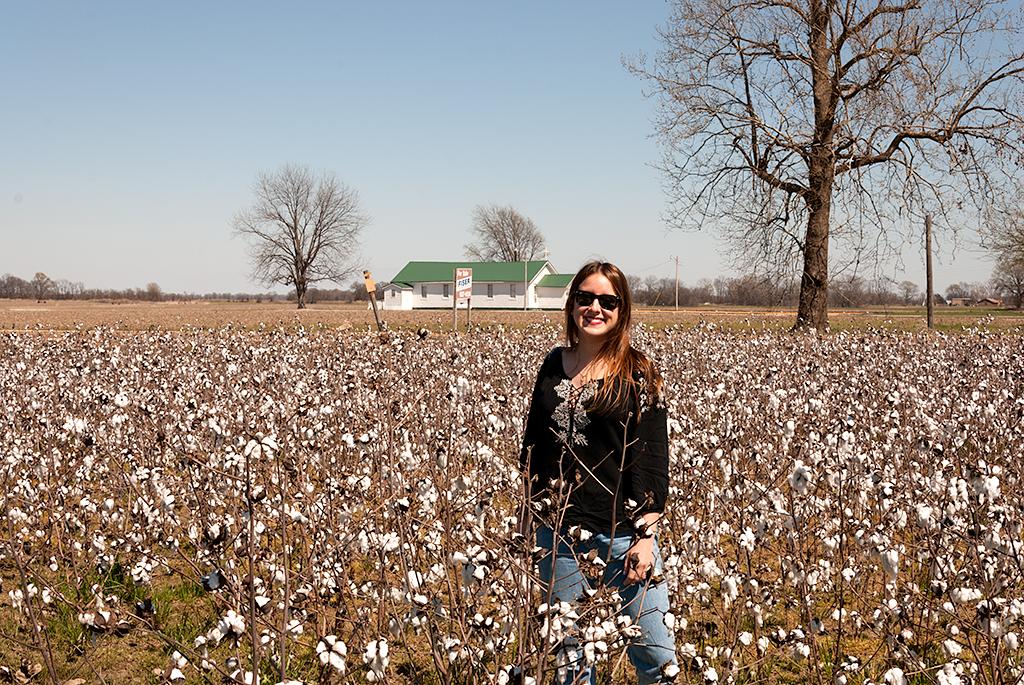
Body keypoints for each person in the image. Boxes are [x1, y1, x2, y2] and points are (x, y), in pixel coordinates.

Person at [520, 261, 677, 685]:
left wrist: (645, 538)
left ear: (622, 310)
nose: (595, 308)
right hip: (559, 532)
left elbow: (652, 458)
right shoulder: (554, 364)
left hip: (623, 533)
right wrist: (529, 516)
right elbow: (534, 445)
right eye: (585, 298)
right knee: (568, 659)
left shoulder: (639, 372)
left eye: (608, 301)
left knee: (656, 657)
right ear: (571, 304)